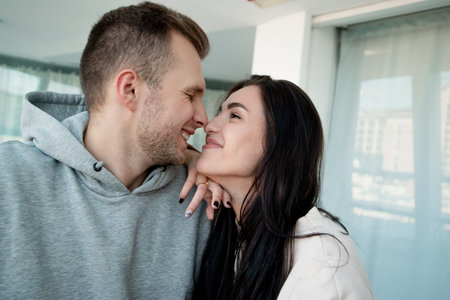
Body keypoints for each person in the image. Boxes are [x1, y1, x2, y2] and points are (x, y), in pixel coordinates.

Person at [0, 2, 221, 298]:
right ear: (130, 89)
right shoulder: (8, 179)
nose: (203, 118)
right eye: (190, 95)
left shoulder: (200, 195)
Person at [191, 75, 375, 299]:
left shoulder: (321, 257)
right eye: (220, 112)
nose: (210, 125)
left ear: (279, 144)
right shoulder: (232, 231)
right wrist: (189, 159)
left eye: (235, 115)